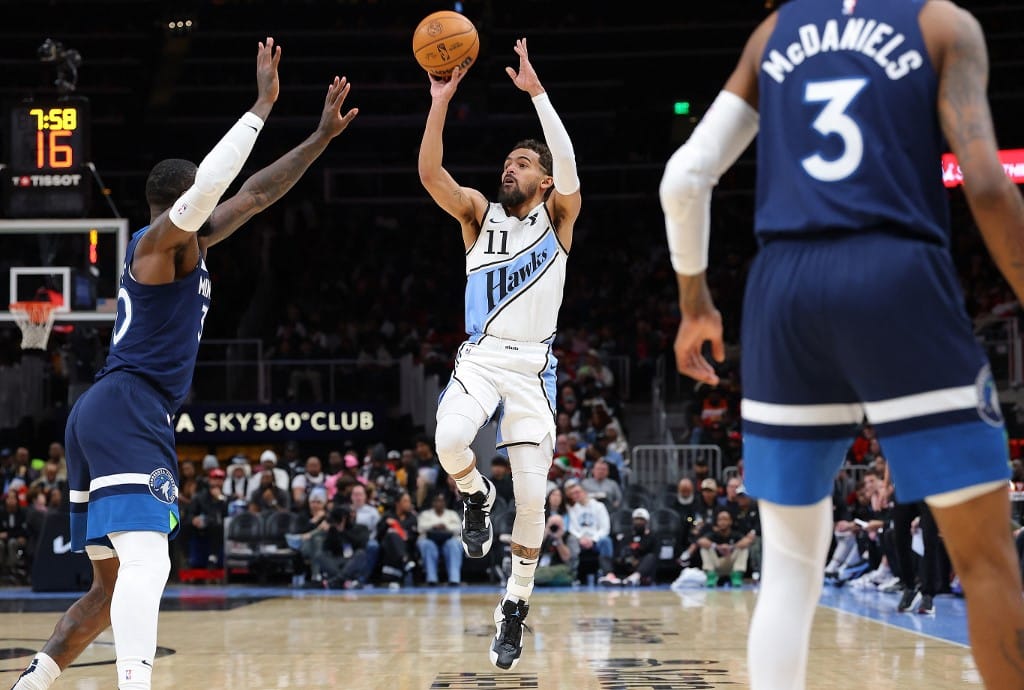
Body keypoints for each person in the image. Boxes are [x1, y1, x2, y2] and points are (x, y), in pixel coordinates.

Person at [660, 1, 1024, 687]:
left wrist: (693, 303)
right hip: (896, 273)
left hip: (783, 291)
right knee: (985, 561)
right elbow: (985, 183)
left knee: (793, 565)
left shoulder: (773, 32)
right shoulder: (942, 25)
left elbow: (683, 178)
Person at [11, 38, 358, 690]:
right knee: (149, 561)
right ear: (182, 199)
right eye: (200, 195)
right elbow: (216, 193)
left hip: (107, 410)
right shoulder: (155, 246)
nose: (211, 201)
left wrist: (319, 137)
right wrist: (259, 107)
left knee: (109, 588)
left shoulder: (188, 245)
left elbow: (255, 194)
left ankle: (34, 681)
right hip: (129, 406)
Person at [418, 37, 581, 671]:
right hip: (482, 356)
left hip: (533, 368)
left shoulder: (560, 217)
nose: (507, 168)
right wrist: (439, 101)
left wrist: (537, 95)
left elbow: (567, 165)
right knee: (450, 438)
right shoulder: (478, 215)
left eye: (521, 163)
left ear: (542, 179)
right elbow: (432, 175)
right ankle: (476, 495)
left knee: (537, 499)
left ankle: (513, 606)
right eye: (507, 161)